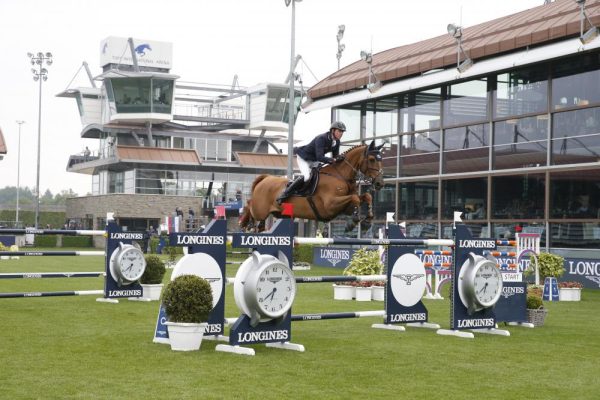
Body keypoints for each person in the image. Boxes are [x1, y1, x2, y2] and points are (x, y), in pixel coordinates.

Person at [276, 121, 347, 205]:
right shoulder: (321, 138)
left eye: (342, 132)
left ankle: (311, 194)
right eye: (339, 131)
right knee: (306, 177)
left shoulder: (337, 142)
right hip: (304, 158)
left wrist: (339, 158)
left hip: (314, 160)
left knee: (320, 176)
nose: (341, 134)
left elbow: (335, 156)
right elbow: (320, 157)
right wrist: (333, 160)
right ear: (333, 130)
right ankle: (285, 194)